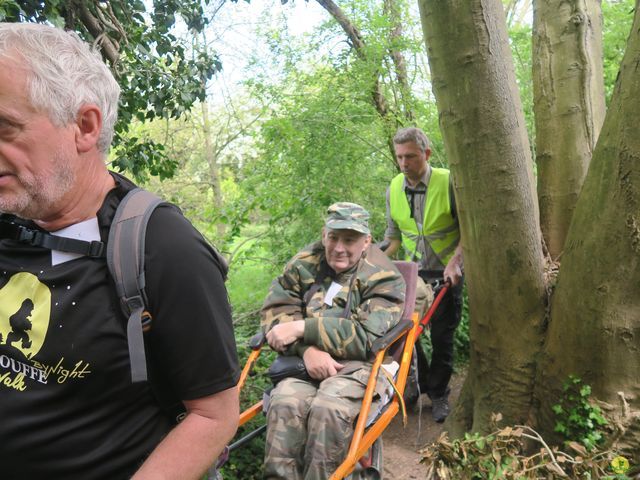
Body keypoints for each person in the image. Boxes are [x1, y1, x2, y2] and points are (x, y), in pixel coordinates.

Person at [0, 23, 239, 479]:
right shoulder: (10, 218)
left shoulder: (161, 248)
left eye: (4, 127)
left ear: (84, 127)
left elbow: (213, 416)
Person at [261, 202, 405, 480]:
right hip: (304, 367)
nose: (339, 247)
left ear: (366, 241)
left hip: (359, 368)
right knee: (285, 403)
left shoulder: (385, 277)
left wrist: (303, 328)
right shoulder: (304, 263)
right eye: (333, 237)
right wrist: (307, 351)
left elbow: (365, 338)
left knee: (328, 408)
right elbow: (275, 316)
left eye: (349, 240)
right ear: (324, 234)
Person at [383, 127, 464, 423]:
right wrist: (370, 260)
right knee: (409, 334)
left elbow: (468, 231)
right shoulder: (393, 187)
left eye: (411, 157)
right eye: (400, 157)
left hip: (447, 270)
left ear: (426, 154)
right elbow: (392, 238)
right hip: (413, 274)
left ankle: (440, 393)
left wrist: (456, 262)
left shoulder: (449, 181)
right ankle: (418, 386)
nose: (404, 164)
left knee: (443, 336)